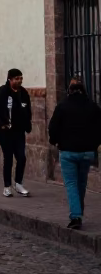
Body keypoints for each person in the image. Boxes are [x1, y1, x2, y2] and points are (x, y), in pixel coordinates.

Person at [48, 76, 101, 230]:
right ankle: (79, 210)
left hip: (68, 151)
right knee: (81, 182)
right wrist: (94, 144)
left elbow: (53, 127)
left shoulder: (62, 106)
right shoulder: (93, 106)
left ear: (69, 91)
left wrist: (54, 141)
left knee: (71, 184)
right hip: (86, 152)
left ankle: (76, 215)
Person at [0, 69, 32, 198]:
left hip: (19, 131)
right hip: (5, 131)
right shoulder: (1, 92)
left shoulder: (23, 93)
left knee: (21, 157)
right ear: (10, 79)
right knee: (8, 158)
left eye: (21, 78)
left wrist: (27, 123)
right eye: (17, 78)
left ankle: (18, 183)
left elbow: (28, 109)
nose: (19, 81)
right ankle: (7, 186)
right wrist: (0, 123)